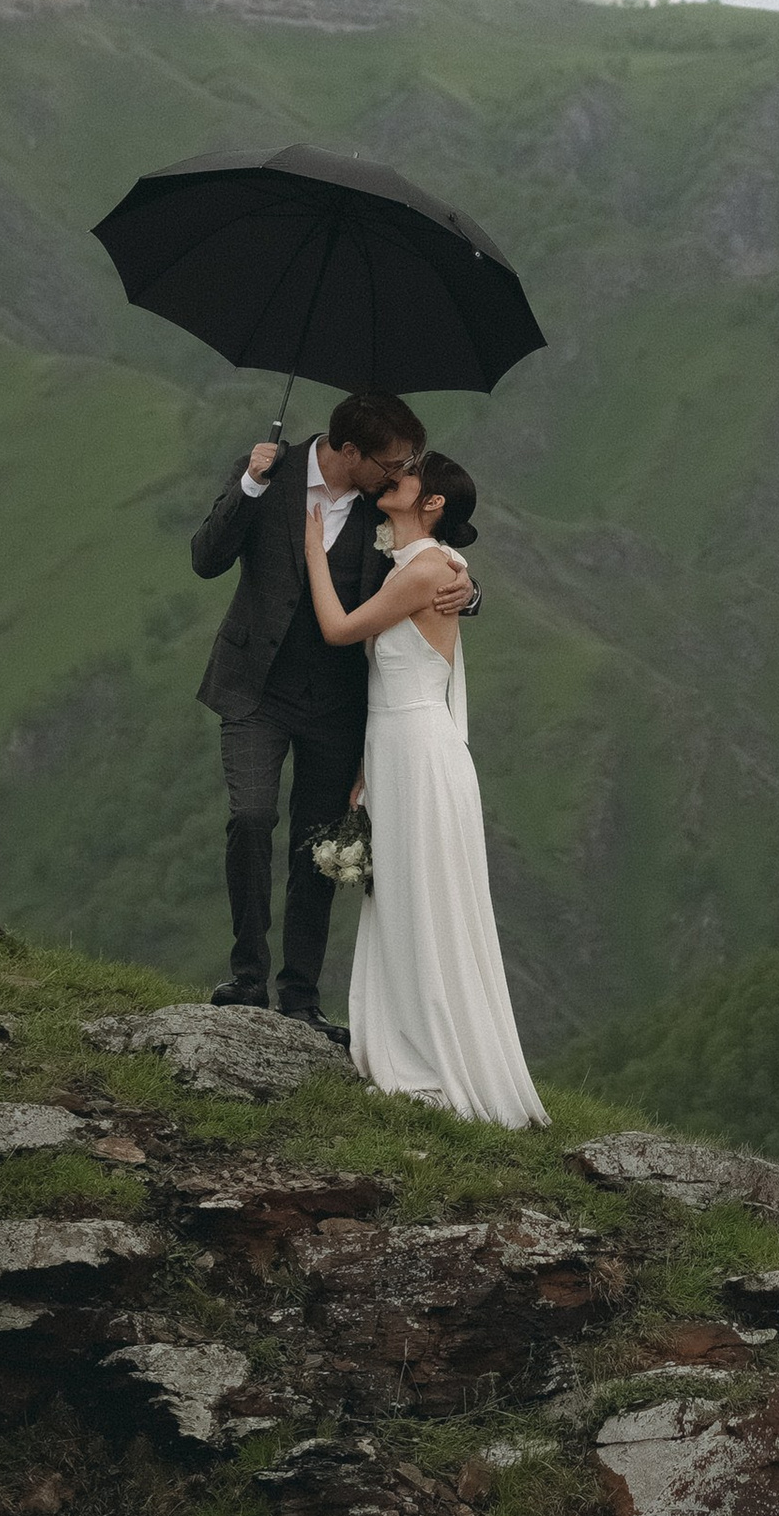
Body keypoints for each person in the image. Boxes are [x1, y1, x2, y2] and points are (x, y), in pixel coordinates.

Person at [189, 388, 473, 1026]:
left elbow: (434, 555)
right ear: (351, 452)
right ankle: (246, 978)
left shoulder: (387, 507)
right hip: (254, 688)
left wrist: (468, 591)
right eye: (392, 462)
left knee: (315, 848)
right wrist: (249, 485)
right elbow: (206, 558)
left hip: (338, 705)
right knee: (252, 817)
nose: (401, 473)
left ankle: (300, 998)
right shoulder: (272, 474)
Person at [302, 449, 545, 1128]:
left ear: (431, 501)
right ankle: (410, 1036)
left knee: (426, 897)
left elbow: (339, 629)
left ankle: (436, 1053)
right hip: (392, 751)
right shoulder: (418, 566)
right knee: (404, 898)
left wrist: (314, 552)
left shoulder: (432, 570)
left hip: (419, 749)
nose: (394, 477)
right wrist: (361, 772)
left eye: (408, 475)